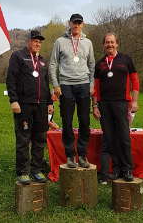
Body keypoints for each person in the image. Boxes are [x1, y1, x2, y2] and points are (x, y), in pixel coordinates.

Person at [6, 30, 53, 184]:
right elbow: (11, 79)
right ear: (29, 41)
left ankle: (37, 170)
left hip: (41, 106)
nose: (37, 43)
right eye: (35, 41)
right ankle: (23, 171)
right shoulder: (18, 56)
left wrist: (50, 103)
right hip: (24, 105)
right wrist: (13, 100)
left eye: (40, 41)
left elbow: (46, 83)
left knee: (40, 139)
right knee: (23, 139)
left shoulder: (43, 61)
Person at [49, 13, 95, 168]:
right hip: (66, 85)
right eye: (74, 22)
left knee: (84, 121)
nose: (76, 25)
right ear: (69, 23)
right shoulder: (60, 42)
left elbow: (92, 65)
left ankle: (82, 155)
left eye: (79, 23)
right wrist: (55, 84)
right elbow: (53, 64)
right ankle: (70, 156)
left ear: (82, 24)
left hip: (83, 85)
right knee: (67, 121)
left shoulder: (88, 43)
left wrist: (91, 84)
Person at [92, 32, 139, 182]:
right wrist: (95, 106)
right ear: (103, 45)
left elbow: (135, 82)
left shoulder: (126, 60)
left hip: (122, 103)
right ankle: (107, 173)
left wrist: (135, 102)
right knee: (108, 138)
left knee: (124, 137)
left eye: (112, 42)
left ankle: (127, 170)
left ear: (117, 43)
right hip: (104, 105)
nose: (109, 45)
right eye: (107, 42)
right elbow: (96, 88)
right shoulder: (99, 64)